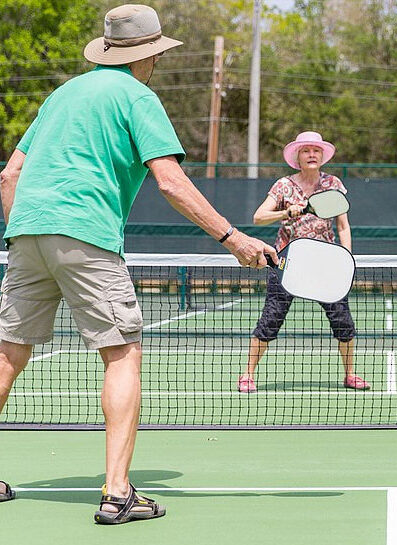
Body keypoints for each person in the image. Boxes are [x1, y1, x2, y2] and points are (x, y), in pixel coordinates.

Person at [0, 5, 276, 523]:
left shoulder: (62, 94)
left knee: (8, 355)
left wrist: (24, 233)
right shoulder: (138, 96)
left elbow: (9, 176)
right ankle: (117, 492)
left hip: (25, 234)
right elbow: (169, 181)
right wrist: (232, 237)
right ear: (147, 55)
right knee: (122, 354)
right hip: (86, 234)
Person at [238, 131, 370, 393]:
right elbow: (258, 217)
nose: (312, 154)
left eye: (316, 150)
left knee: (342, 321)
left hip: (326, 264)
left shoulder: (333, 183)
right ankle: (248, 374)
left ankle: (350, 374)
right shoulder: (283, 186)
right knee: (271, 319)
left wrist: (346, 259)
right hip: (287, 262)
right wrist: (287, 211)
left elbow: (343, 226)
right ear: (297, 157)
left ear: (322, 156)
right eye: (306, 150)